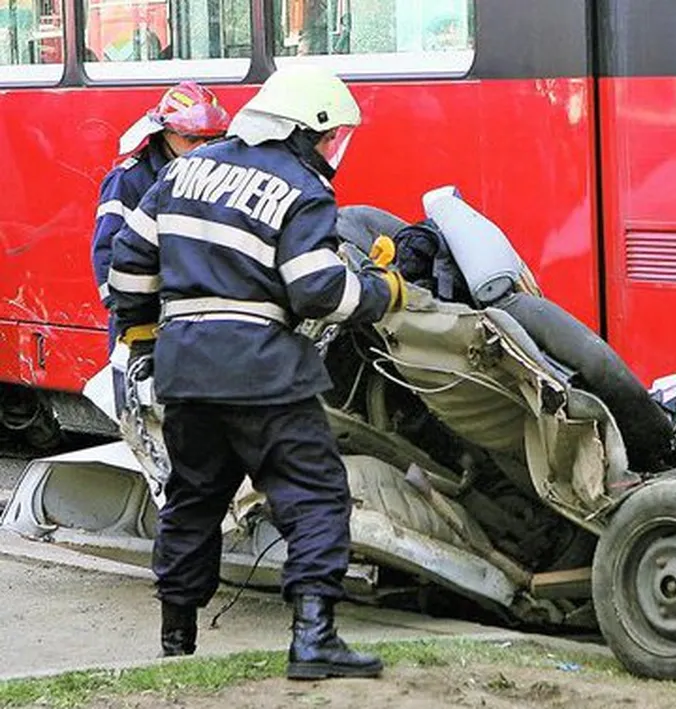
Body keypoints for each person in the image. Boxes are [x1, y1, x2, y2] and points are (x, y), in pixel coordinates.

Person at [107, 64, 407, 679]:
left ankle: (176, 640)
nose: (331, 149)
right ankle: (314, 639)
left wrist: (143, 337)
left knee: (193, 499)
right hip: (263, 374)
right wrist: (382, 290)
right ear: (302, 129)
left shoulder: (182, 170)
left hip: (185, 372)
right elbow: (318, 291)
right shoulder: (301, 187)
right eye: (329, 136)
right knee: (315, 495)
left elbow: (129, 264)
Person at [91, 81, 230, 389]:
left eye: (212, 139)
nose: (202, 148)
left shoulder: (219, 178)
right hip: (145, 325)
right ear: (164, 132)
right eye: (191, 138)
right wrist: (134, 323)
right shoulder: (129, 181)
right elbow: (107, 257)